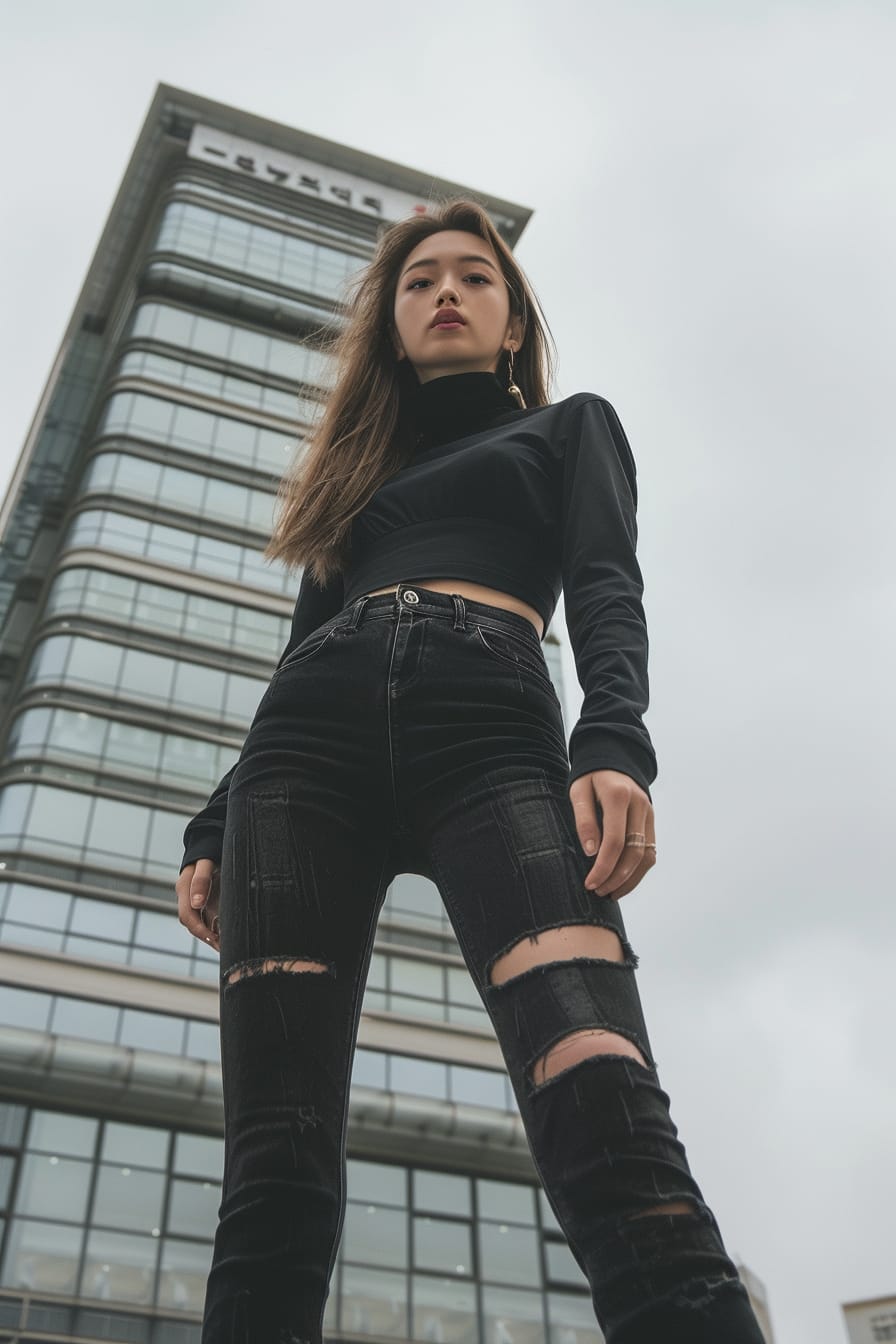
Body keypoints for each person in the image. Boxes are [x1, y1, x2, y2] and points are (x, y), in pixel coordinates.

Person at [174, 198, 765, 1344]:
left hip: (488, 729)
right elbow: (299, 651)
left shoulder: (568, 429)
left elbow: (604, 587)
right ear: (393, 327)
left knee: (600, 1094)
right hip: (302, 757)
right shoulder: (351, 491)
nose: (446, 289)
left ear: (510, 323)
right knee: (272, 1160)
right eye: (419, 280)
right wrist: (214, 818)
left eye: (474, 277)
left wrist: (613, 740)